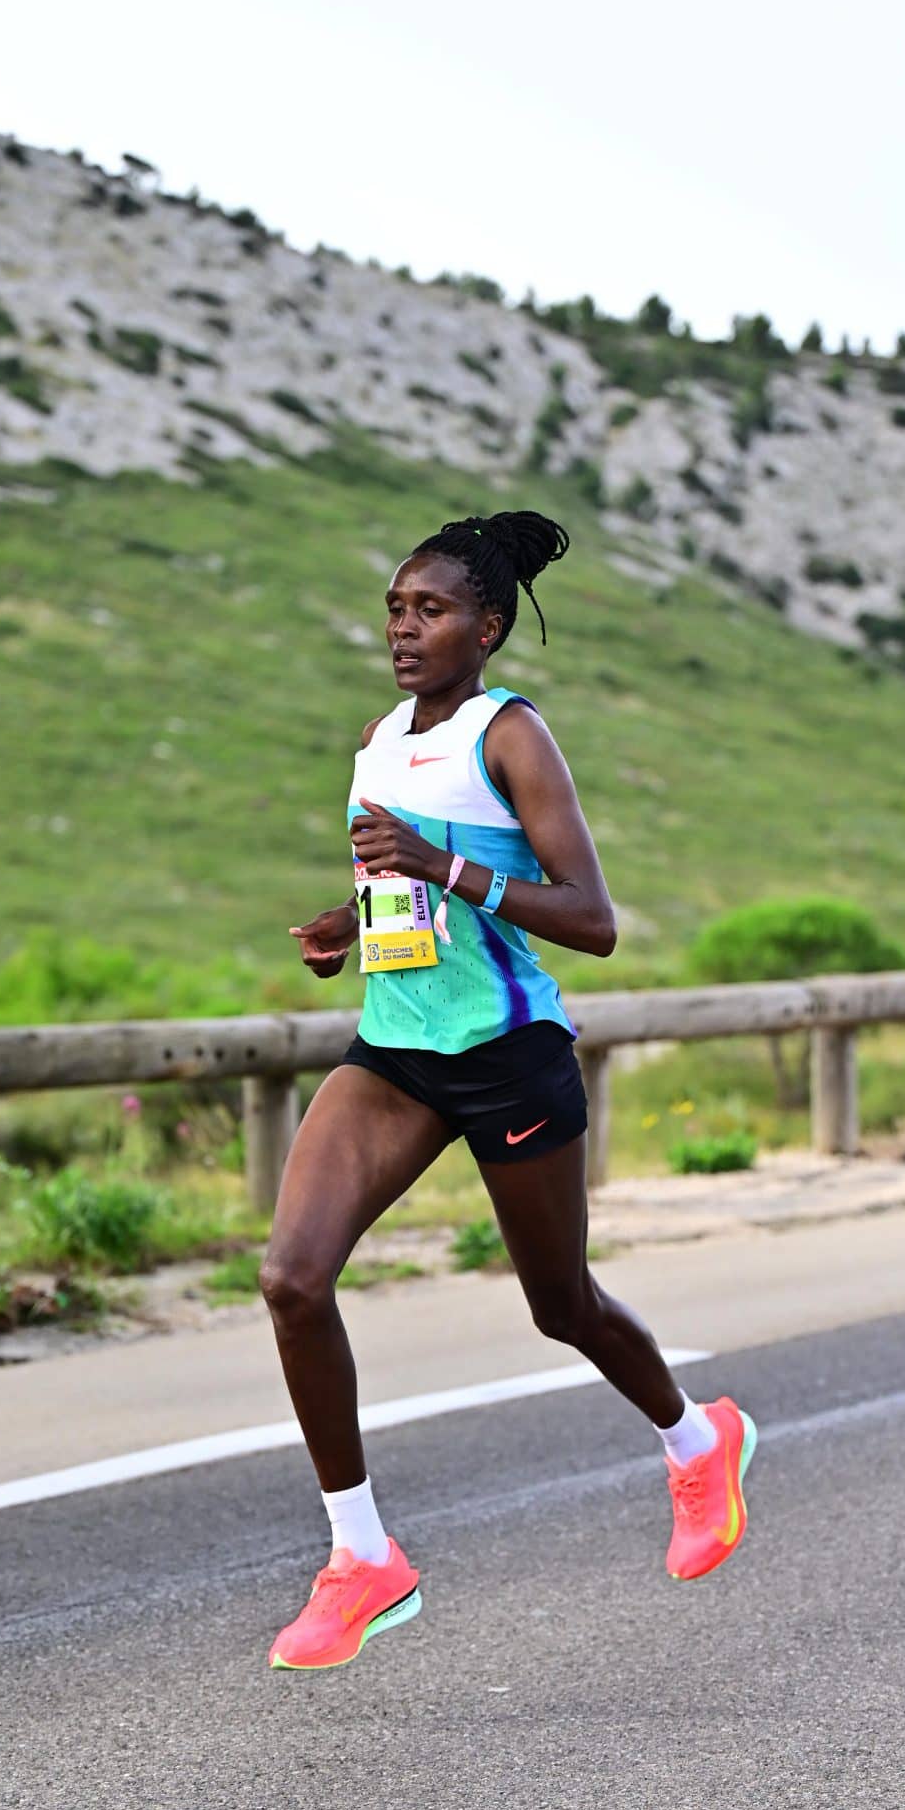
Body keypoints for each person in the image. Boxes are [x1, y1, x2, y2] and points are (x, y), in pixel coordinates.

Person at [261, 510, 755, 1670]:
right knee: (291, 1277)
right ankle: (362, 1557)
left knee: (560, 1304)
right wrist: (353, 920)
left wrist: (448, 866)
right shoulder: (378, 741)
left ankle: (696, 1440)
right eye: (394, 608)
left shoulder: (512, 734)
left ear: (486, 627)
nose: (404, 628)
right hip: (398, 1050)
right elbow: (407, 899)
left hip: (509, 1051)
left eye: (430, 610)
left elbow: (592, 920)